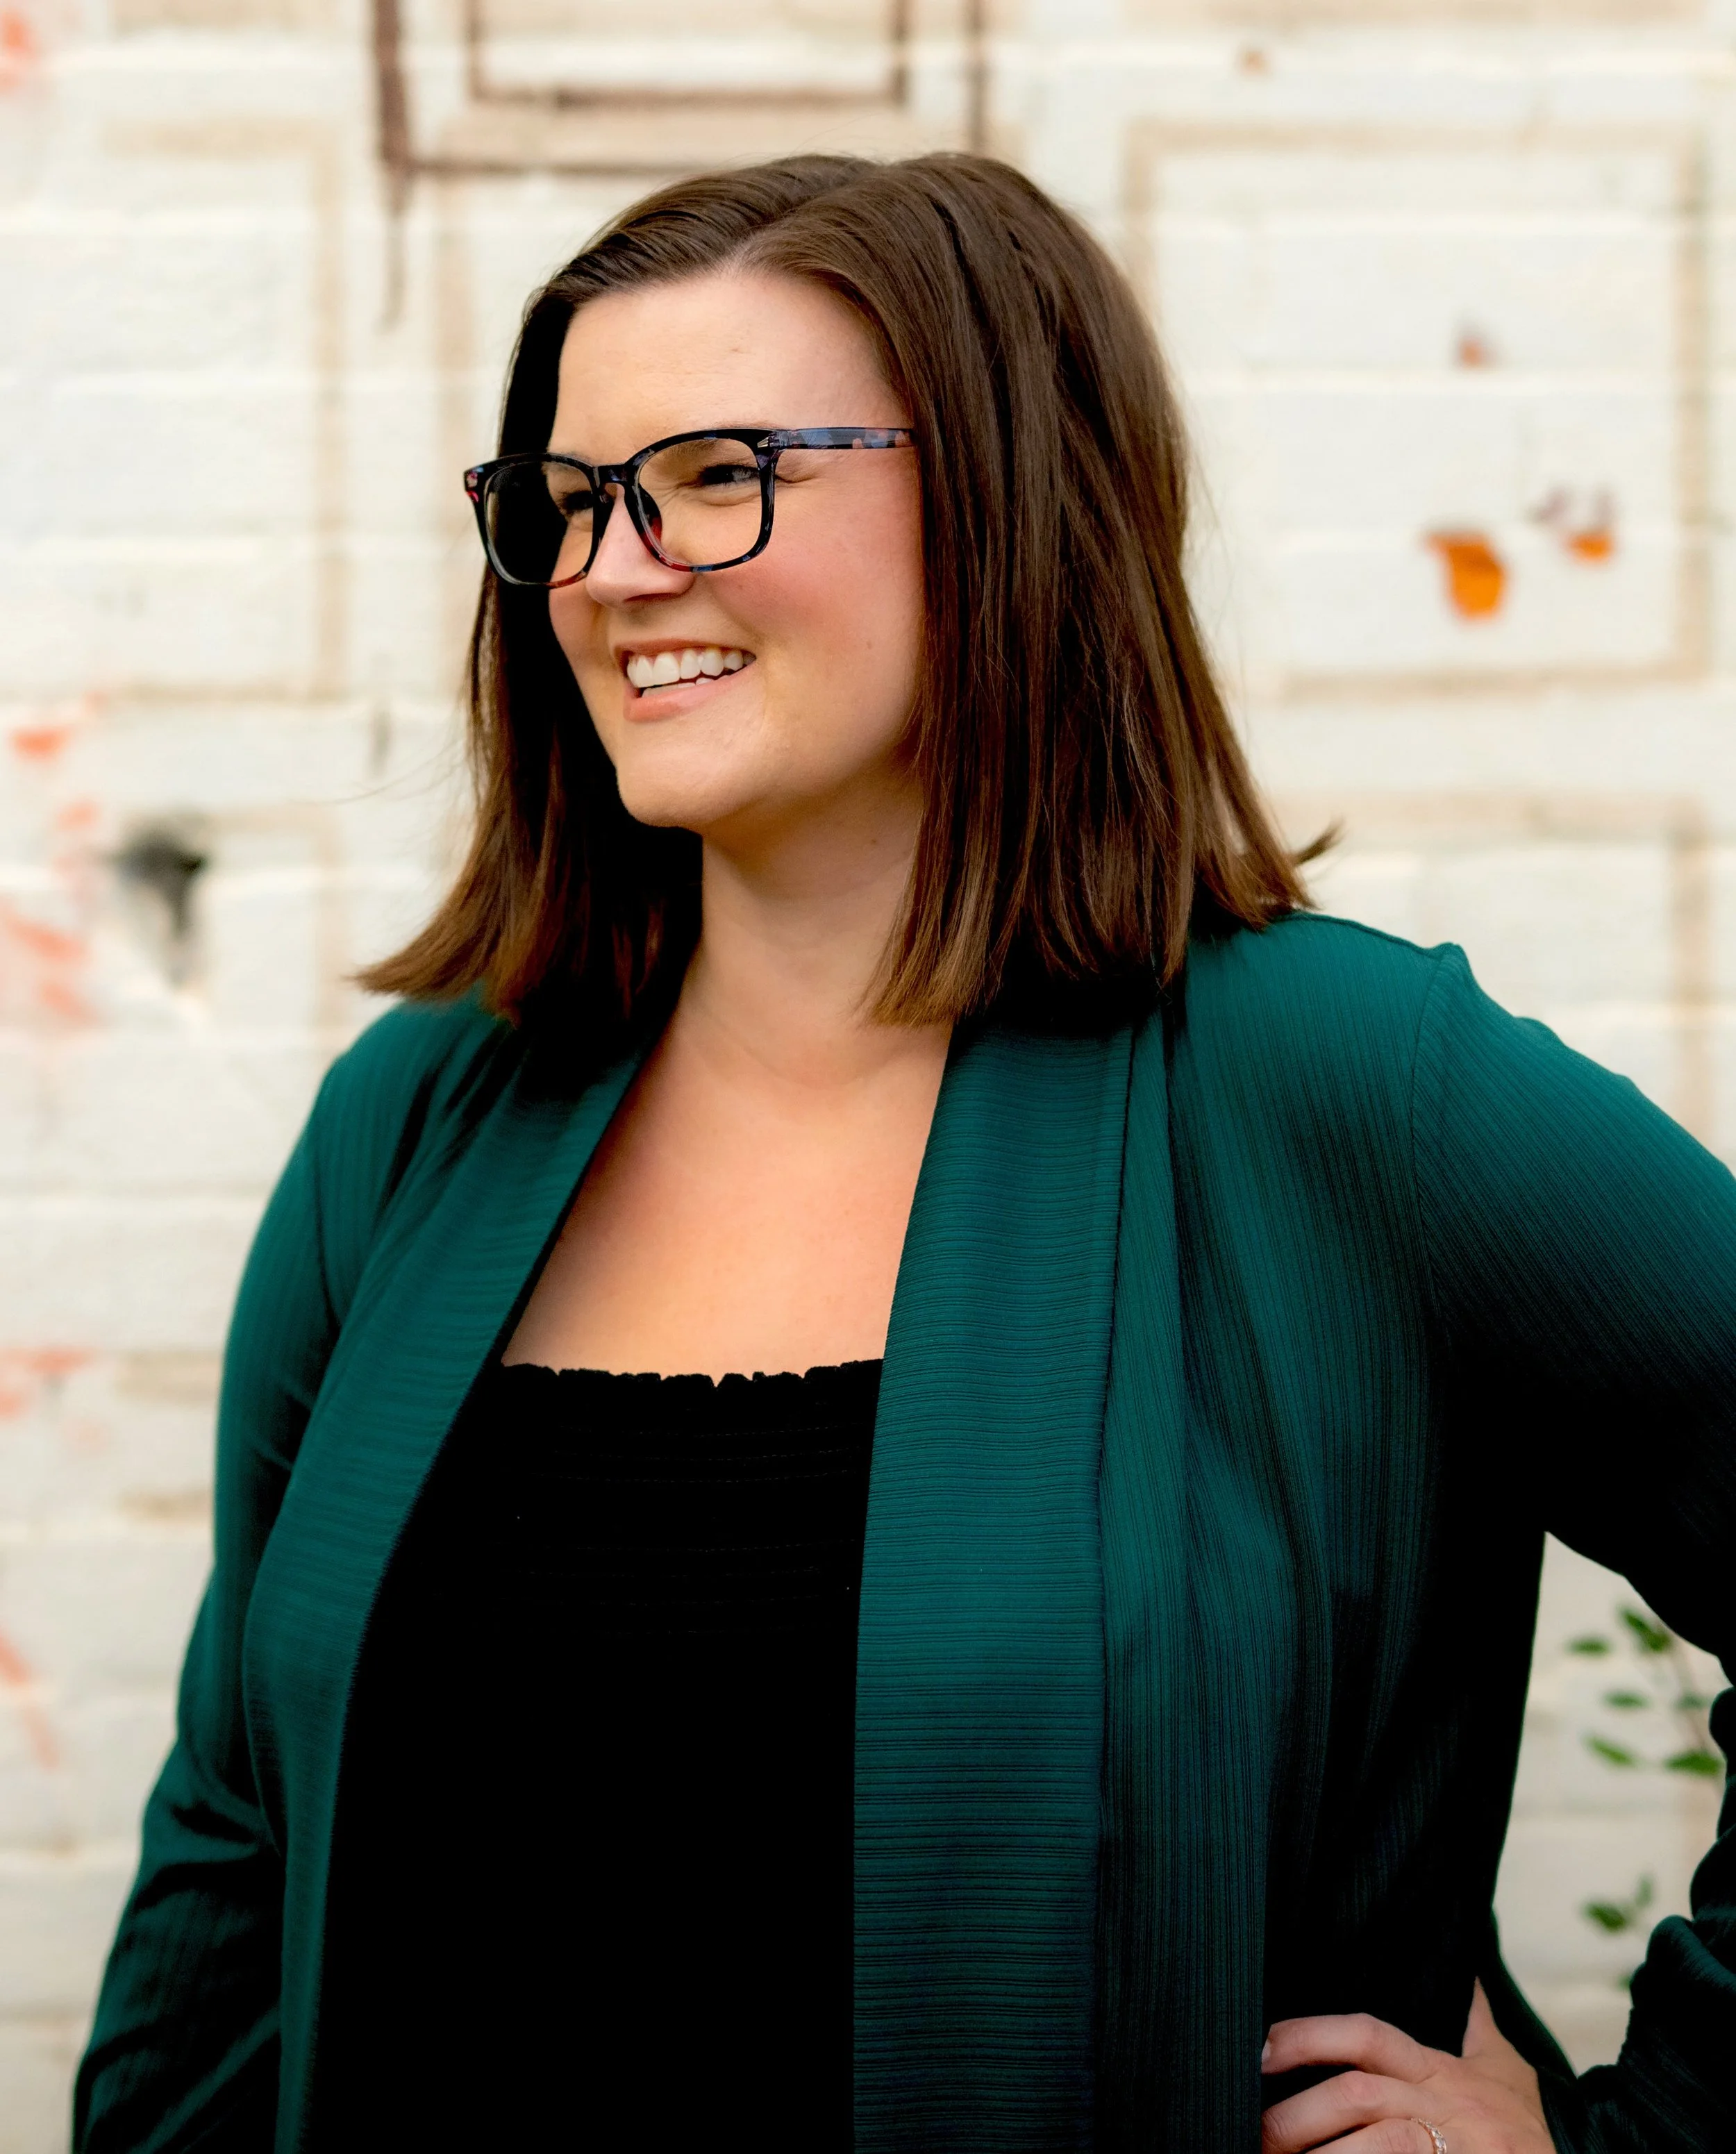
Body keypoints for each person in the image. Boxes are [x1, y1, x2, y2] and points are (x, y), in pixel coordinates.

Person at [74, 152, 1733, 2154]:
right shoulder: (417, 1123)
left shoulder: (1345, 1088)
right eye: (570, 500)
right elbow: (236, 1853)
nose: (612, 571)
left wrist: (1649, 2139)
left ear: (1012, 502)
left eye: (718, 475)